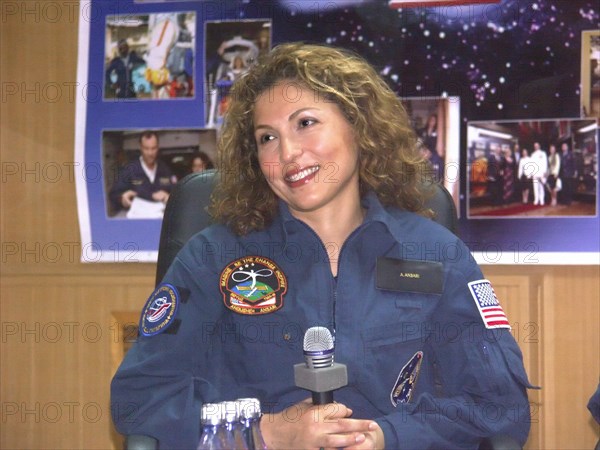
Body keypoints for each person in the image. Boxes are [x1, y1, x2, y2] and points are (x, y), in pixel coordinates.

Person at [111, 43, 534, 449]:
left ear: (358, 125)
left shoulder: (435, 254)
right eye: (267, 138)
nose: (288, 153)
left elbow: (499, 408)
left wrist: (386, 436)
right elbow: (139, 400)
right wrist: (266, 434)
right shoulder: (212, 256)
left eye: (305, 123)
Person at [109, 131, 177, 213]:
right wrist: (122, 199)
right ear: (141, 148)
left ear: (158, 148)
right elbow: (113, 195)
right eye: (146, 148)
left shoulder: (165, 169)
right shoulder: (129, 170)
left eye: (153, 148)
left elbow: (178, 194)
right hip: (137, 219)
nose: (150, 153)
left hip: (160, 218)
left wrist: (170, 197)